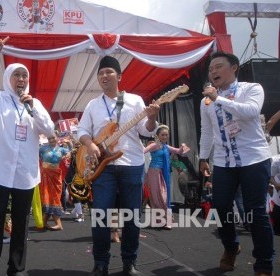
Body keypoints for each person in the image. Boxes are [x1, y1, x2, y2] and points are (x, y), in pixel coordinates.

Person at [0, 37, 55, 276]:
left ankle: (16, 268)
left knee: (21, 223)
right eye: (16, 75)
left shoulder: (34, 103)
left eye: (24, 76)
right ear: (8, 78)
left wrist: (34, 108)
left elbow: (49, 130)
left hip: (25, 173)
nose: (21, 80)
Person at [76, 55, 160, 276]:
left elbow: (146, 130)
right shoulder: (93, 105)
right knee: (101, 216)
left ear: (119, 76)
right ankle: (101, 262)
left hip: (131, 162)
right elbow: (82, 131)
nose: (104, 76)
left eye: (109, 72)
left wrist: (151, 118)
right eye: (101, 73)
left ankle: (129, 262)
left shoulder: (135, 100)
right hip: (104, 167)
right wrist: (90, 145)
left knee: (132, 216)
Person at [199, 51, 274, 276]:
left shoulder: (252, 89)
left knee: (256, 211)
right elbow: (207, 131)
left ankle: (263, 264)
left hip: (254, 159)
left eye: (218, 67)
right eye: (211, 69)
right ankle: (231, 247)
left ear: (234, 68)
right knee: (221, 207)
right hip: (224, 162)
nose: (213, 72)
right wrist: (203, 158)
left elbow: (251, 112)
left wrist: (218, 98)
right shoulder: (206, 102)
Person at [143, 124, 190, 229]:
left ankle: (165, 220)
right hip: (154, 172)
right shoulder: (155, 145)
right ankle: (161, 220)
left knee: (165, 196)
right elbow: (143, 151)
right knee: (157, 197)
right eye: (162, 135)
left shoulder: (166, 146)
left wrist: (183, 147)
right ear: (158, 135)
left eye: (166, 135)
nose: (165, 137)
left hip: (163, 173)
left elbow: (178, 152)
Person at [39, 134, 70, 230]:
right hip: (45, 175)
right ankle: (49, 223)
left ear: (57, 138)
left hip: (56, 176)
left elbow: (70, 152)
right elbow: (38, 158)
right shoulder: (42, 148)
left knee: (55, 197)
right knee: (47, 197)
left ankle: (46, 223)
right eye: (49, 138)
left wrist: (70, 144)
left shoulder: (62, 150)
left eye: (53, 138)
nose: (51, 139)